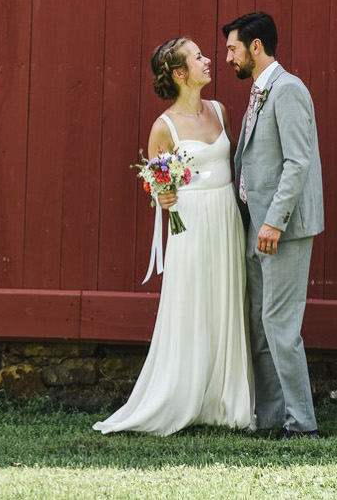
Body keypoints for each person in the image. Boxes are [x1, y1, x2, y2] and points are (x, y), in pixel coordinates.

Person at [93, 37, 253, 435]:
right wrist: (162, 192)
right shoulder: (162, 128)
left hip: (226, 217)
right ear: (180, 73)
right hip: (192, 224)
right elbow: (157, 182)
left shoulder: (220, 111)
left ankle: (226, 401)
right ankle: (182, 396)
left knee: (227, 299)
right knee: (194, 303)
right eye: (198, 57)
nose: (208, 59)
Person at [223, 11, 325, 438]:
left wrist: (274, 223)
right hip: (256, 227)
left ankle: (302, 423)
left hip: (280, 230)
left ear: (256, 47)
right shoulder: (258, 93)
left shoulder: (288, 90)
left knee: (281, 326)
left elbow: (297, 162)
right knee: (260, 325)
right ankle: (271, 416)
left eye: (232, 49)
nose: (228, 58)